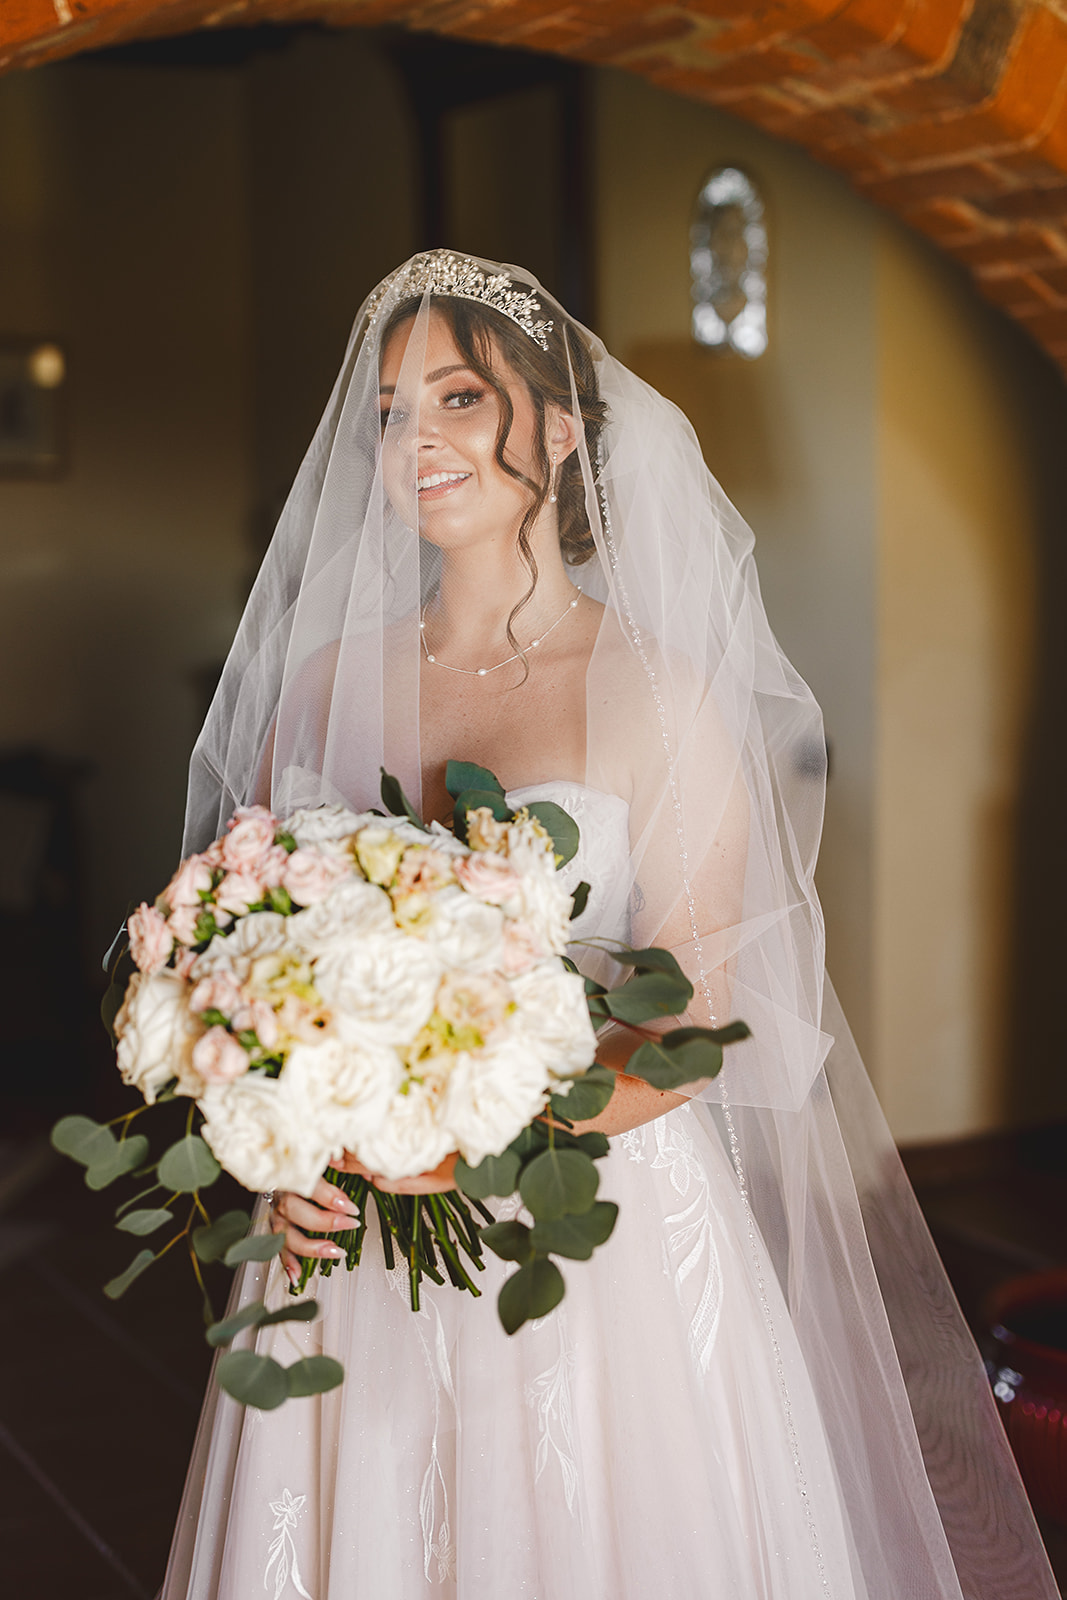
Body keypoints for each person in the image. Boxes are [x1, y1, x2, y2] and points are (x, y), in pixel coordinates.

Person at [160, 250, 1057, 1599]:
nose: (420, 442)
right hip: (349, 1250)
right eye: (393, 412)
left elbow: (702, 1012)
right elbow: (266, 964)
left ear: (565, 428)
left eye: (462, 399)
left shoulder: (660, 689)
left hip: (587, 1233)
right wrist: (281, 1144)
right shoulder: (328, 684)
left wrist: (484, 1136)